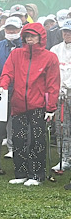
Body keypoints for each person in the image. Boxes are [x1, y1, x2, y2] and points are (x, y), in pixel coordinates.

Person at [0, 23, 60, 186]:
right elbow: (7, 72)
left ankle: (37, 175)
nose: (30, 39)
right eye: (27, 36)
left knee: (37, 141)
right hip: (18, 104)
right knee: (18, 140)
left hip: (39, 106)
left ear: (41, 37)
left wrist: (50, 107)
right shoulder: (16, 54)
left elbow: (53, 84)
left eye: (33, 35)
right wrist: (3, 86)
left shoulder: (50, 57)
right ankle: (21, 173)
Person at [0, 16, 23, 173]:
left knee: (21, 130)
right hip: (1, 93)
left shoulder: (26, 48)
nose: (11, 31)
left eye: (14, 28)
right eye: (9, 28)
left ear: (20, 29)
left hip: (21, 94)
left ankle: (23, 165)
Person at [49, 20, 71, 172]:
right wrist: (59, 87)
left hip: (68, 90)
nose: (67, 34)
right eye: (65, 31)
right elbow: (51, 71)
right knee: (62, 128)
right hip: (60, 94)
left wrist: (67, 85)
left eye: (69, 31)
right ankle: (64, 158)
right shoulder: (55, 49)